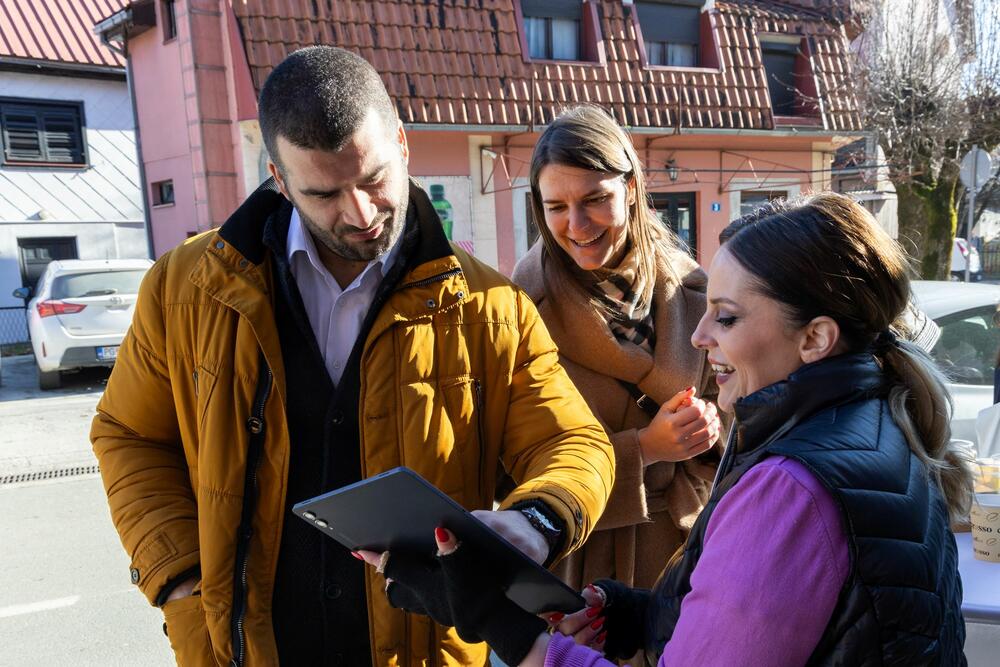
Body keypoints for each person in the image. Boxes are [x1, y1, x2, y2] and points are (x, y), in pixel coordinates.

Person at [90, 46, 615, 667]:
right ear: (279, 179)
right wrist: (181, 579)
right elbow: (129, 435)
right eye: (324, 193)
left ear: (403, 143)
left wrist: (535, 520)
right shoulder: (183, 288)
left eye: (373, 179)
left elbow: (575, 443)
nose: (361, 213)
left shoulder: (490, 305)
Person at [360, 192, 973, 667]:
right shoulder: (878, 420)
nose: (700, 336)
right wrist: (640, 615)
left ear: (815, 338)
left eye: (726, 318)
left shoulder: (790, 489)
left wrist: (502, 625)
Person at [511, 105, 722, 593]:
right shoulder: (522, 309)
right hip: (582, 563)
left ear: (629, 188)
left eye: (594, 199)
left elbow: (734, 408)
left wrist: (709, 424)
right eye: (556, 207)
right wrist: (644, 449)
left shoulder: (691, 286)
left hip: (687, 552)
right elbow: (517, 459)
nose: (577, 224)